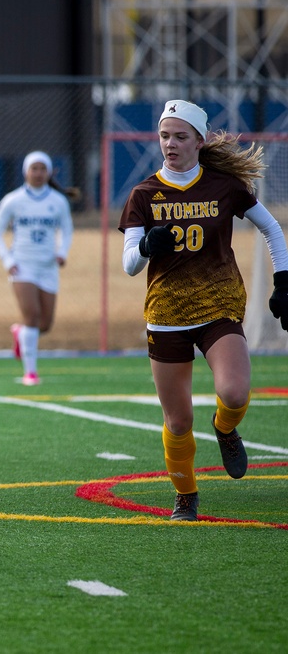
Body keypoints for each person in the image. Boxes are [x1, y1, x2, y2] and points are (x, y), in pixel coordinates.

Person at [119, 99, 288, 522]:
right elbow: (128, 265)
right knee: (178, 421)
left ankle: (226, 429)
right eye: (164, 136)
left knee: (234, 393)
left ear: (199, 140)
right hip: (167, 313)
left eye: (180, 136)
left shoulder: (223, 187)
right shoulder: (144, 194)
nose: (170, 144)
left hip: (218, 305)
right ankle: (186, 496)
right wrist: (144, 247)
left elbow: (272, 228)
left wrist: (284, 281)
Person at [0, 151, 73, 386]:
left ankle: (20, 334)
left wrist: (62, 252)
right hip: (22, 266)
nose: (37, 173)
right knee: (32, 317)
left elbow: (66, 230)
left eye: (41, 169)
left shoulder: (58, 201)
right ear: (26, 171)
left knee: (44, 324)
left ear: (48, 172)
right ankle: (31, 372)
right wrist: (7, 260)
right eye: (33, 169)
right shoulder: (13, 200)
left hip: (48, 267)